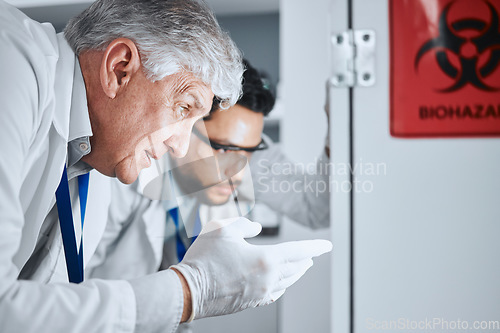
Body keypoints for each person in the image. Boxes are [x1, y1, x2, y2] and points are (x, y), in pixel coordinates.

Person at [0, 1, 332, 332]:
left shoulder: (98, 148)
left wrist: (344, 120)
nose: (182, 145)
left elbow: (47, 306)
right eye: (184, 109)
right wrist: (191, 292)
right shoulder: (13, 62)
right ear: (119, 69)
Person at [87, 60, 331, 332]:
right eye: (223, 149)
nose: (238, 172)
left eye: (249, 152)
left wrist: (338, 127)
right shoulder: (123, 173)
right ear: (185, 119)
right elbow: (72, 288)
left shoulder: (246, 152)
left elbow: (316, 208)